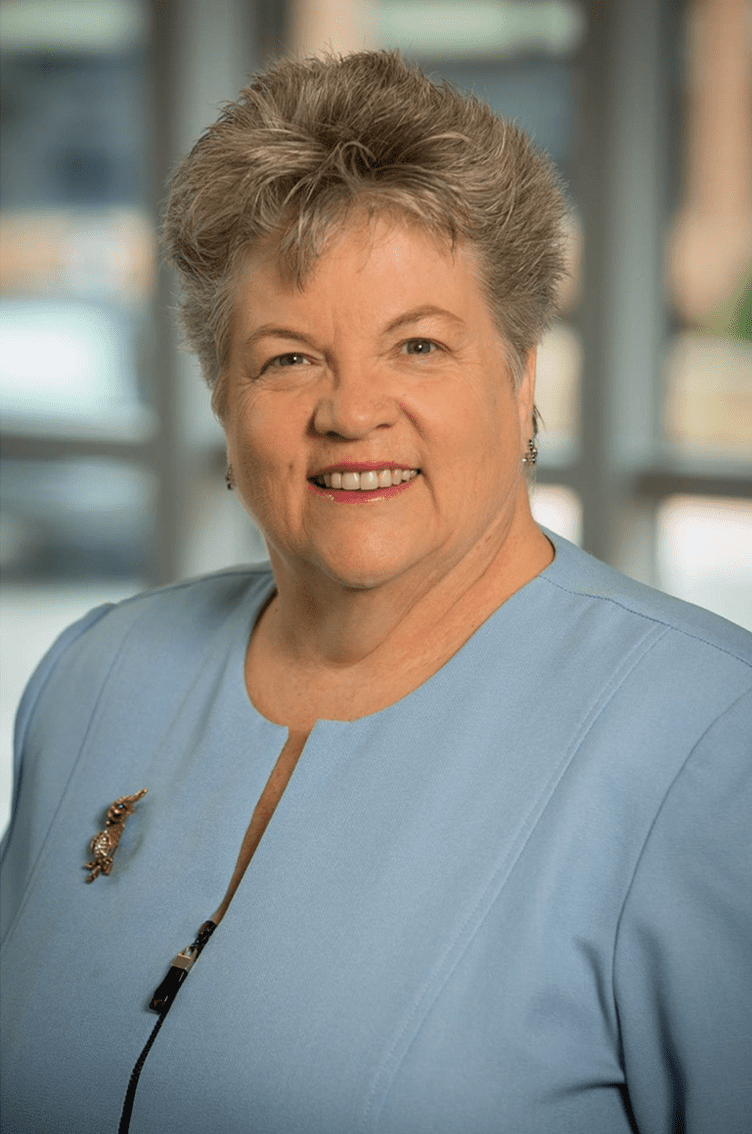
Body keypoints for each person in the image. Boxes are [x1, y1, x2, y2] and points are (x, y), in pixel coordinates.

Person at [1, 50, 750, 1134]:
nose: (353, 413)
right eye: (289, 359)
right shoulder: (93, 674)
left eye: (418, 345)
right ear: (220, 392)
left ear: (521, 371)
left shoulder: (710, 741)